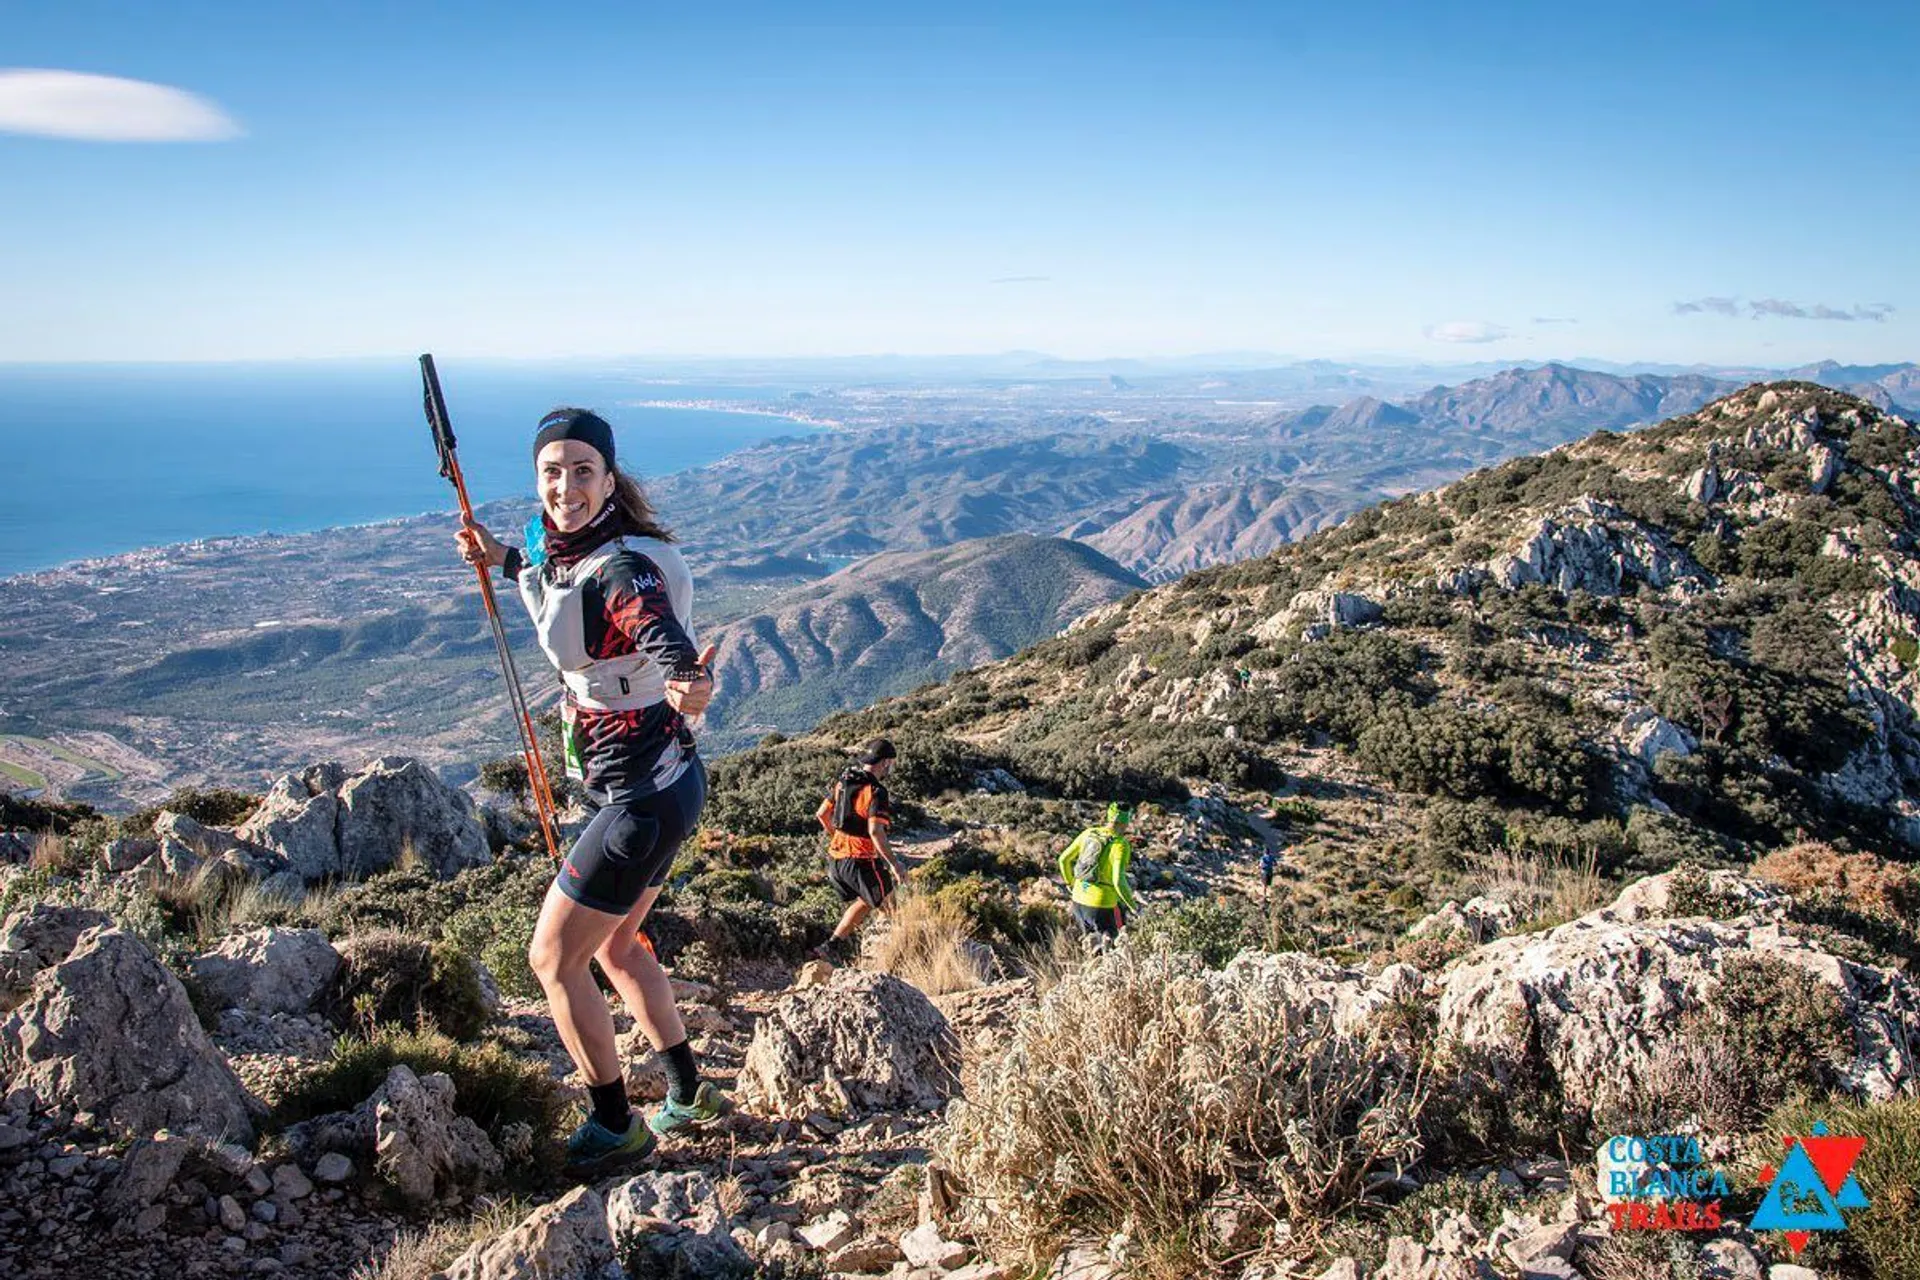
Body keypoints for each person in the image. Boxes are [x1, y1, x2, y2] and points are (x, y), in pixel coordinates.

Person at [455, 406, 728, 1169]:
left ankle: (615, 1126)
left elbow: (652, 623)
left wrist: (689, 678)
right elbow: (551, 571)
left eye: (583, 471)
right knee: (615, 945)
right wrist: (500, 556)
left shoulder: (620, 569)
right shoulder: (572, 548)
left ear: (610, 480)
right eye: (553, 471)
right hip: (671, 783)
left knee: (552, 959)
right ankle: (689, 1093)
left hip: (641, 801)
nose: (565, 486)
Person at [810, 738, 907, 963]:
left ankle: (830, 947)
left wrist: (838, 837)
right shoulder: (877, 791)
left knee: (866, 900)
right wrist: (895, 865)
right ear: (885, 763)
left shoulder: (844, 782)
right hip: (861, 860)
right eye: (891, 763)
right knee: (891, 908)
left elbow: (822, 814)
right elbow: (875, 831)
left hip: (836, 860)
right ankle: (895, 957)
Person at [1059, 802, 1139, 939]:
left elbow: (1063, 860)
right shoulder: (1120, 844)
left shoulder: (1089, 833)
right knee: (1110, 946)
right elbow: (1118, 881)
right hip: (1102, 904)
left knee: (1088, 944)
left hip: (1078, 899)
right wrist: (1133, 906)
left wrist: (1070, 883)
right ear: (1126, 822)